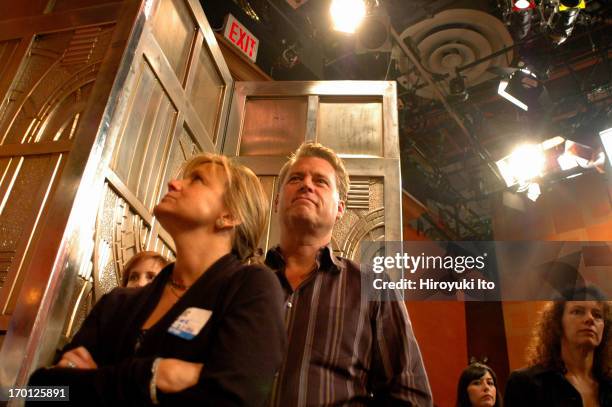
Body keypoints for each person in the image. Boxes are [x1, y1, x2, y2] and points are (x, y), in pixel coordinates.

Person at [29, 152, 286, 406]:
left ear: (229, 216)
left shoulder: (251, 286)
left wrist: (95, 382)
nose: (173, 184)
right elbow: (40, 391)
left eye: (197, 180)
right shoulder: (118, 302)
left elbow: (231, 397)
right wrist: (156, 375)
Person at [265, 142, 432, 406]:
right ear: (276, 201)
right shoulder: (243, 281)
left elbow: (410, 395)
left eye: (320, 181)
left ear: (340, 208)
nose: (306, 185)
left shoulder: (373, 286)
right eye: (296, 178)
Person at [504, 287, 612, 407]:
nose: (590, 319)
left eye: (597, 315)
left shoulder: (608, 384)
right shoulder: (525, 383)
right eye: (578, 311)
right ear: (558, 322)